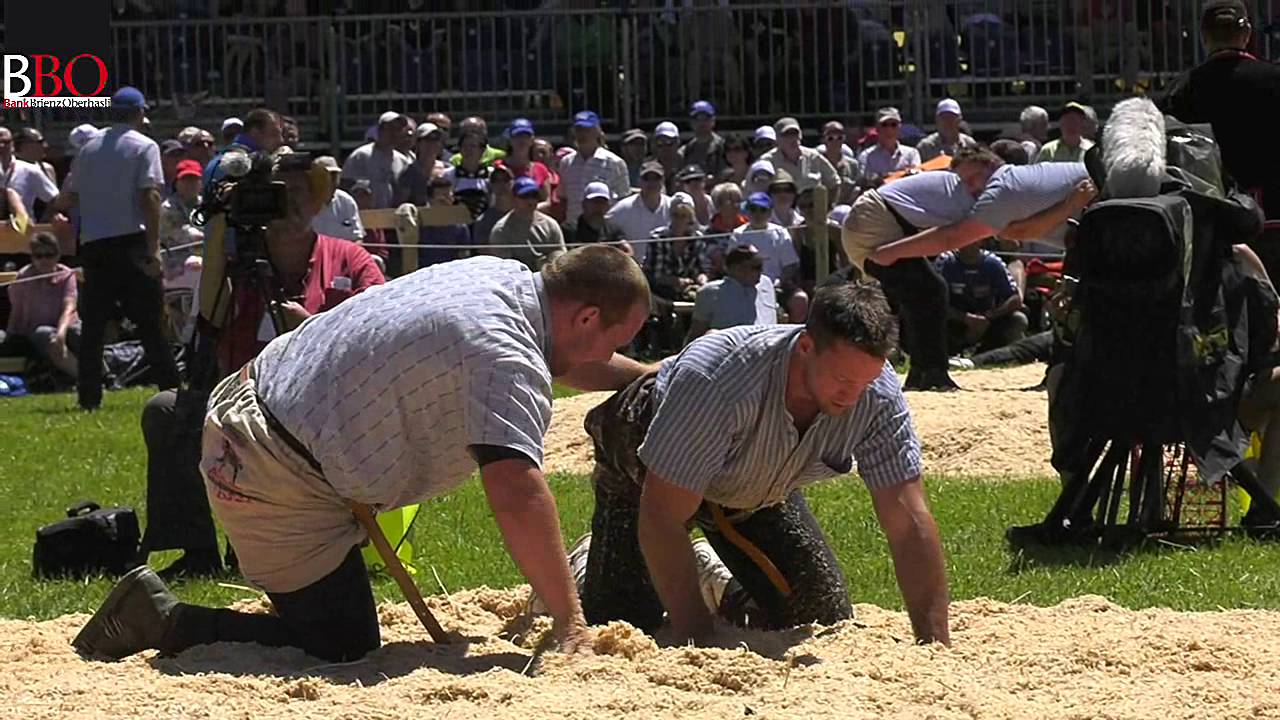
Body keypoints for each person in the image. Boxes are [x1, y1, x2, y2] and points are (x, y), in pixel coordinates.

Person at [74, 247, 655, 663]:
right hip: (270, 468)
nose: (615, 354)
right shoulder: (506, 356)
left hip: (260, 411)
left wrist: (651, 376)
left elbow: (574, 359)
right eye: (618, 340)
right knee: (340, 644)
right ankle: (163, 616)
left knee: (331, 616)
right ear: (584, 316)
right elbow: (516, 492)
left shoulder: (498, 277)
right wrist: (569, 619)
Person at [578, 282, 949, 646]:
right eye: (841, 379)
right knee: (622, 624)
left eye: (865, 381)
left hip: (752, 478)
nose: (852, 395)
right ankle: (587, 564)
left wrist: (934, 647)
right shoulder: (720, 378)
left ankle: (711, 577)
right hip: (648, 461)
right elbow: (661, 516)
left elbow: (908, 523)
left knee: (819, 615)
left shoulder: (876, 395)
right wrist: (700, 639)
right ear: (806, 347)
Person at [136, 158, 387, 580]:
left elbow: (381, 332)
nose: (288, 205)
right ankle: (197, 549)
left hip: (323, 407)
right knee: (165, 409)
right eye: (276, 194)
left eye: (299, 194)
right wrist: (218, 233)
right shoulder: (237, 261)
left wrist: (309, 329)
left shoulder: (350, 259)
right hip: (241, 401)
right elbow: (211, 318)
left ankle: (309, 542)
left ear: (316, 202)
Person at [54, 87, 181, 411]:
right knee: (150, 322)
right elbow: (150, 197)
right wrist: (153, 249)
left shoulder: (88, 148)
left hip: (95, 243)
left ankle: (89, 398)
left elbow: (73, 195)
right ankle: (172, 390)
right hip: (131, 241)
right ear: (140, 112)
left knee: (94, 326)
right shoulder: (144, 146)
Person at [1161, 0, 1280, 265]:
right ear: (1247, 33)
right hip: (1272, 215)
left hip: (1209, 224)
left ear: (1204, 37)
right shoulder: (1274, 79)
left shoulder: (1181, 90)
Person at [871, 160, 1099, 263]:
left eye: (973, 178)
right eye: (965, 184)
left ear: (989, 165)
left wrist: (889, 252)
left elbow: (953, 237)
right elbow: (1018, 232)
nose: (972, 190)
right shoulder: (1012, 188)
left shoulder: (1002, 188)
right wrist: (1068, 207)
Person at [0, 233, 80, 379]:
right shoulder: (24, 278)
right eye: (39, 256)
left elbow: (69, 308)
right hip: (34, 335)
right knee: (45, 334)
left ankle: (106, 375)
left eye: (49, 255)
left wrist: (61, 335)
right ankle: (88, 380)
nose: (44, 260)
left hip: (66, 328)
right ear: (32, 258)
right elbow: (16, 313)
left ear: (57, 256)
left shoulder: (67, 275)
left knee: (80, 332)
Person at [936, 245, 1027, 354]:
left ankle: (999, 352)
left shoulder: (993, 262)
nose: (969, 244)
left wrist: (991, 315)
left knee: (1018, 319)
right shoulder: (945, 262)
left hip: (989, 319)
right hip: (955, 319)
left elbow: (1015, 298)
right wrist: (965, 318)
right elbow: (932, 301)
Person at [731, 192, 804, 322]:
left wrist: (779, 282)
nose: (758, 214)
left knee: (800, 299)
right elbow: (732, 266)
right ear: (747, 212)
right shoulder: (738, 234)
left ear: (770, 212)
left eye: (763, 210)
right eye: (753, 209)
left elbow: (791, 265)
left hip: (778, 286)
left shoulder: (780, 232)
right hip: (744, 286)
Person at [686, 243, 778, 343]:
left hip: (768, 345)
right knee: (712, 334)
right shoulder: (710, 292)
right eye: (756, 267)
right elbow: (697, 332)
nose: (761, 271)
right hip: (730, 349)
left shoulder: (766, 284)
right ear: (737, 269)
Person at [559, 111, 631, 223]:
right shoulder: (566, 162)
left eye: (587, 130)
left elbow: (624, 200)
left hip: (605, 229)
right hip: (574, 228)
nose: (582, 134)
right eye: (579, 130)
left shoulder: (615, 163)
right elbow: (563, 199)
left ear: (597, 132)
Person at [488, 176, 567, 271]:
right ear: (513, 198)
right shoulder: (501, 229)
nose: (531, 201)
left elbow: (560, 254)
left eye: (534, 196)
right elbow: (503, 266)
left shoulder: (550, 224)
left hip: (546, 277)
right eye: (524, 196)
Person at [605, 161, 671, 266]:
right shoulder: (623, 208)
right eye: (646, 179)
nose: (651, 183)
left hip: (665, 271)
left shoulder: (672, 207)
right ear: (639, 181)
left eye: (656, 178)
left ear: (663, 180)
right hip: (633, 271)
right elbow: (605, 230)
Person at [341, 111, 412, 209]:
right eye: (390, 128)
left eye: (398, 129)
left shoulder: (402, 161)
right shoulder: (361, 156)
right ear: (379, 130)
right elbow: (345, 185)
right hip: (365, 215)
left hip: (392, 216)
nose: (394, 133)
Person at [760, 117, 839, 195]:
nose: (793, 138)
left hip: (812, 206)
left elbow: (834, 181)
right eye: (787, 135)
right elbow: (756, 191)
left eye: (795, 133)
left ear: (800, 136)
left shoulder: (813, 156)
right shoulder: (767, 161)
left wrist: (830, 205)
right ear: (777, 139)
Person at [158, 159, 206, 280]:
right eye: (185, 180)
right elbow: (189, 237)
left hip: (206, 257)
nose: (190, 184)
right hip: (175, 265)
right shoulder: (167, 208)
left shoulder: (207, 205)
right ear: (177, 183)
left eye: (194, 179)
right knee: (195, 265)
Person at [0, 126, 59, 218]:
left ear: (12, 145)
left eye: (6, 142)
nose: (1, 146)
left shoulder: (30, 170)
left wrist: (44, 222)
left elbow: (53, 199)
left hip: (21, 229)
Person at [857, 108, 922, 187]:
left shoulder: (911, 154)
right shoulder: (866, 156)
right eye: (884, 125)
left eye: (893, 125)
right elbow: (865, 181)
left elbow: (917, 178)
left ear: (899, 127)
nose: (889, 129)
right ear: (877, 128)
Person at [561, 182, 629, 252]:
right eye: (594, 202)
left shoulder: (614, 232)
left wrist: (625, 248)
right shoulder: (568, 230)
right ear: (584, 204)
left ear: (608, 206)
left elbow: (624, 247)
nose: (598, 206)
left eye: (602, 202)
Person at [310, 156, 364, 243]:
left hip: (344, 254)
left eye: (335, 174)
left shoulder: (346, 201)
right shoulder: (305, 202)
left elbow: (357, 237)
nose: (332, 179)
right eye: (327, 175)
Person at [441, 129, 493, 220]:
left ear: (482, 150)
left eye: (473, 146)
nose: (468, 150)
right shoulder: (448, 175)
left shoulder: (491, 175)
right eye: (465, 146)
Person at [394, 122, 448, 206]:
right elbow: (401, 204)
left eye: (436, 139)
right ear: (417, 143)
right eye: (427, 140)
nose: (432, 144)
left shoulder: (447, 169)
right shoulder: (407, 173)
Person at [678, 100, 725, 180]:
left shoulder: (723, 147)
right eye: (697, 119)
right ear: (691, 123)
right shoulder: (686, 151)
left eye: (706, 118)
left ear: (713, 121)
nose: (702, 123)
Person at [817, 121, 860, 205]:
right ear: (823, 140)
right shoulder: (817, 164)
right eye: (830, 138)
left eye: (839, 137)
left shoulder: (853, 165)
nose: (835, 141)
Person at [472, 163, 515, 247]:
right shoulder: (482, 221)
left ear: (513, 182)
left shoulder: (523, 214)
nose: (501, 184)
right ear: (491, 185)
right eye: (496, 180)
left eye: (505, 179)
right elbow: (482, 249)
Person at [653, 121, 683, 190]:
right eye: (660, 143)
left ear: (678, 142)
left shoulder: (686, 164)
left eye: (669, 143)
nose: (665, 148)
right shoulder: (649, 168)